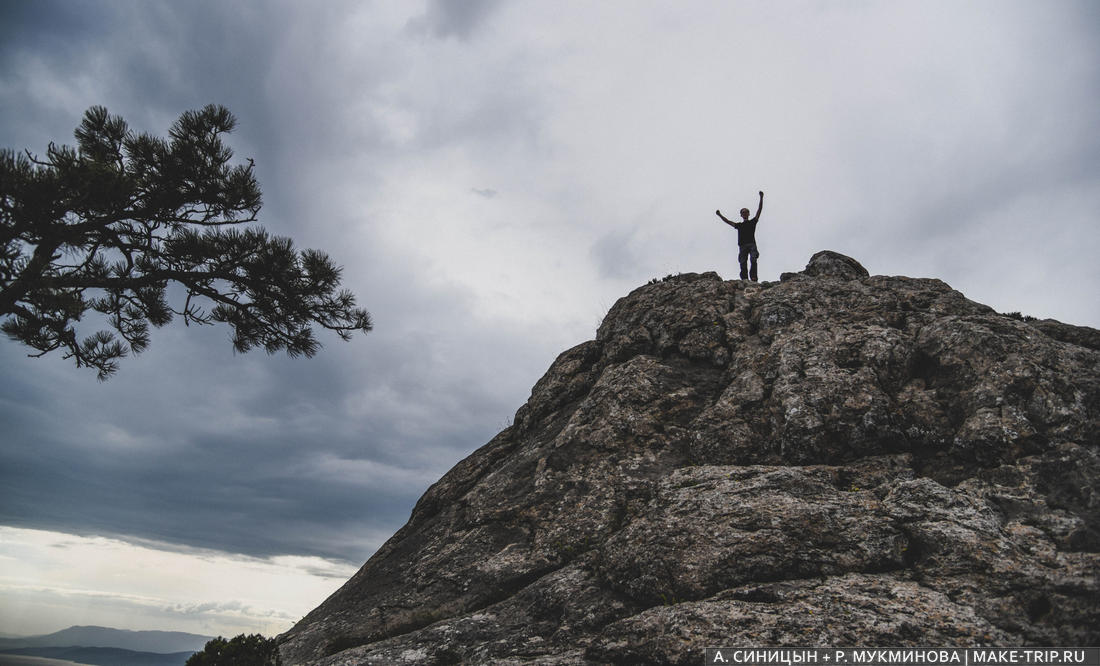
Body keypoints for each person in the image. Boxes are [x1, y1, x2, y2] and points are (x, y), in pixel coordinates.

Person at [716, 190, 764, 281]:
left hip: (751, 244)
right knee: (742, 263)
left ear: (749, 214)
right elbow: (728, 221)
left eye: (746, 212)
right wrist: (720, 215)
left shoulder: (753, 222)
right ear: (741, 215)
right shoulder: (739, 225)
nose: (745, 213)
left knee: (753, 259)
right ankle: (745, 279)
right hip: (742, 246)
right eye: (743, 212)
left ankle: (753, 278)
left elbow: (759, 210)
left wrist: (761, 198)